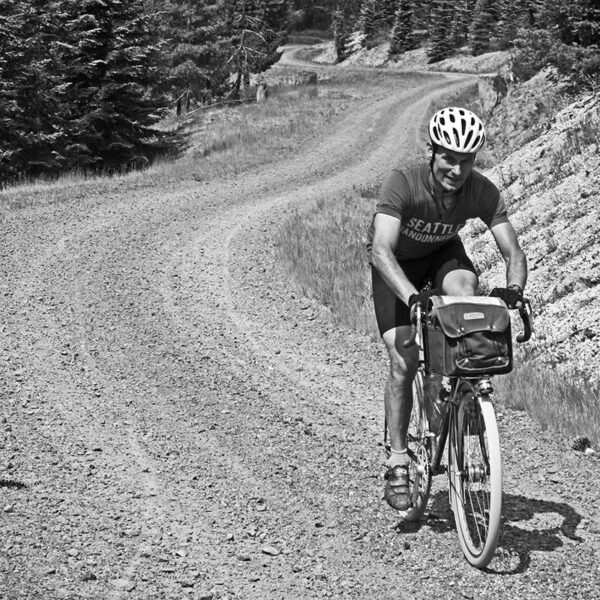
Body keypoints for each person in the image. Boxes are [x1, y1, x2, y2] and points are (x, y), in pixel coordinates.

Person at [366, 106, 527, 510]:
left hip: (441, 255)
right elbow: (380, 250)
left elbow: (513, 251)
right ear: (432, 153)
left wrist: (514, 289)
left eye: (466, 161)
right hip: (396, 266)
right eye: (449, 159)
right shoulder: (403, 183)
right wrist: (412, 298)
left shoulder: (482, 191)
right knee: (403, 358)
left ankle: (452, 389)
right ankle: (398, 459)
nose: (456, 170)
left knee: (465, 290)